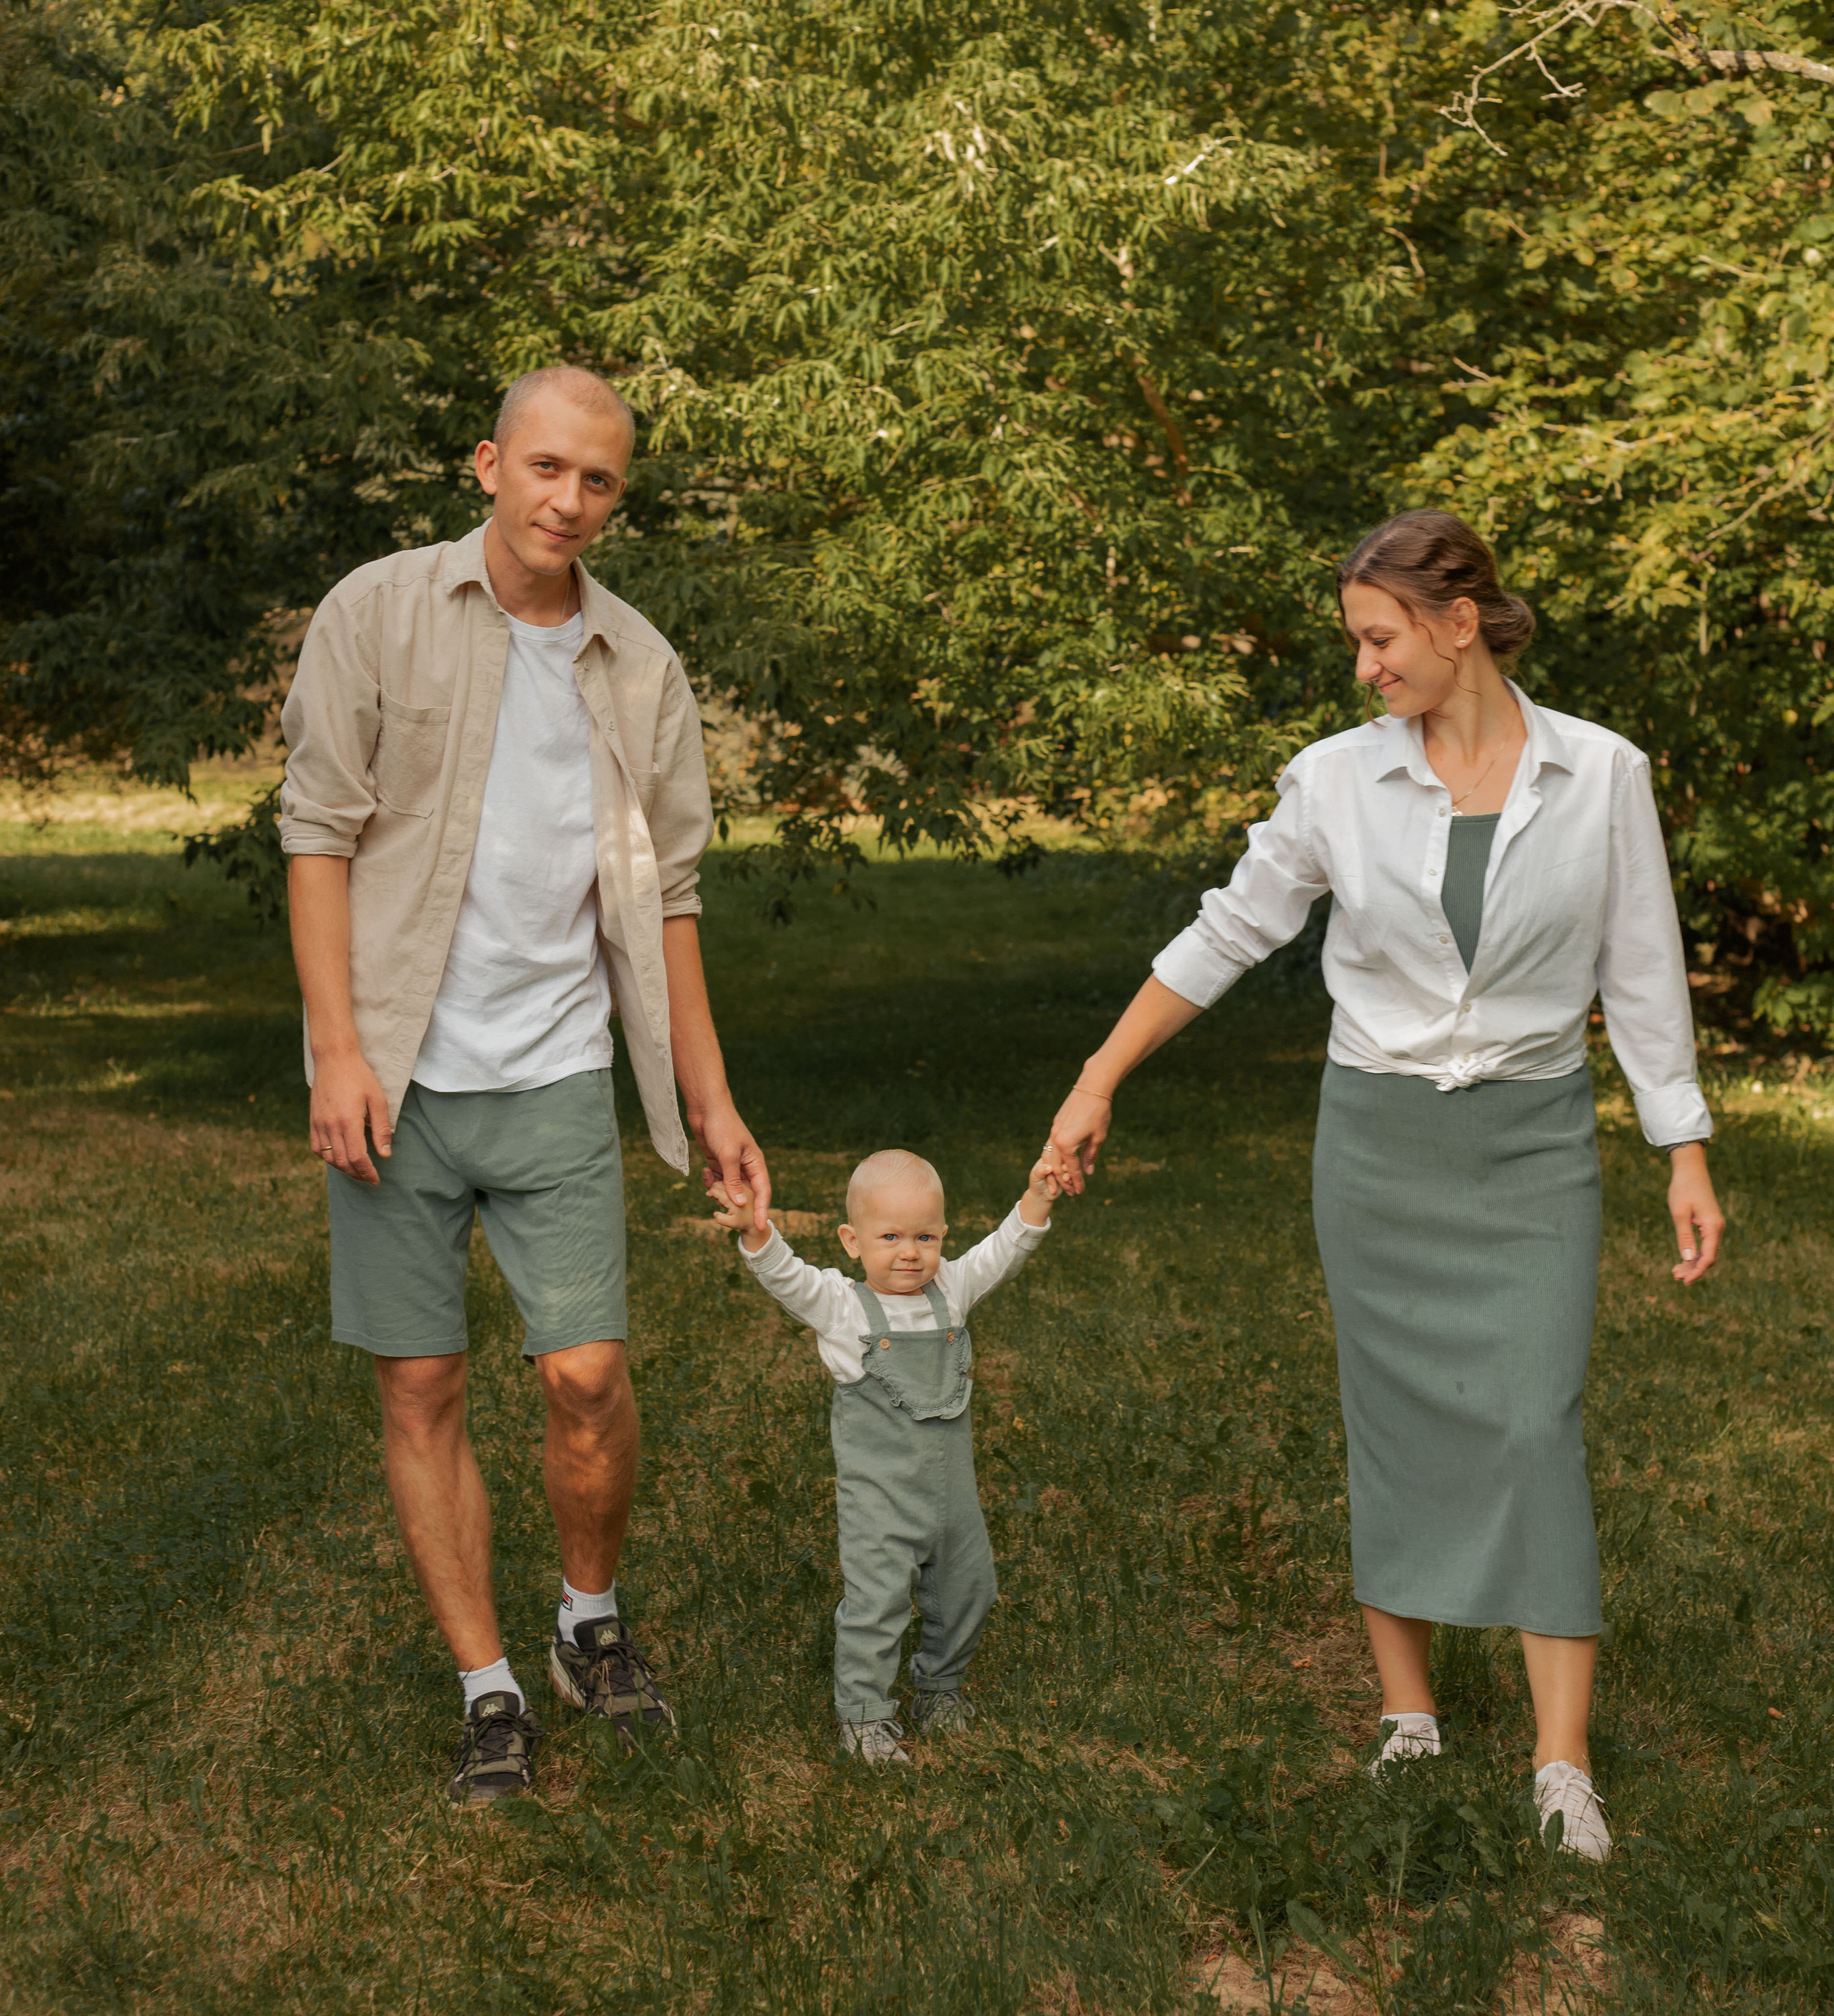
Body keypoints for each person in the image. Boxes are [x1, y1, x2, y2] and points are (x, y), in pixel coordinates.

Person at [1044, 509, 1724, 1864]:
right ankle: (1408, 1717)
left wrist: (1683, 1149)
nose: (1363, 667)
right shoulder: (1336, 783)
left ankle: (1562, 1763)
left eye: (1378, 637)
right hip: (1378, 1145)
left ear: (1458, 622)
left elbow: (1641, 968)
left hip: (1531, 1145)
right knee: (1396, 1419)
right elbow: (1229, 928)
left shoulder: (1600, 775)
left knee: (1535, 1425)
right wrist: (1099, 1076)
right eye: (1357, 641)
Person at [281, 363, 769, 1805]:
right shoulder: (374, 614)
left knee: (588, 1377)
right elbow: (315, 838)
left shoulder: (642, 667)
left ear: (619, 495)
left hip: (555, 1066)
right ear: (487, 464)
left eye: (598, 480)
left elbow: (666, 899)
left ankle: (586, 1620)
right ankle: (487, 1686)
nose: (568, 501)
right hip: (397, 1070)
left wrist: (710, 1098)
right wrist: (337, 1053)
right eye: (545, 468)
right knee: (422, 1383)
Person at [713, 1148, 1060, 1765]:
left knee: (970, 1591)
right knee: (877, 1605)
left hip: (953, 1497)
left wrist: (1037, 1197)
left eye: (926, 1236)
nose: (910, 1252)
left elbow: (1003, 1251)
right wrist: (756, 1234)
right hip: (880, 1500)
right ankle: (866, 1716)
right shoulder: (841, 1307)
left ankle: (940, 1688)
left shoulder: (950, 1289)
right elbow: (787, 1275)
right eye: (891, 1236)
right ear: (851, 1240)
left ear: (943, 1237)